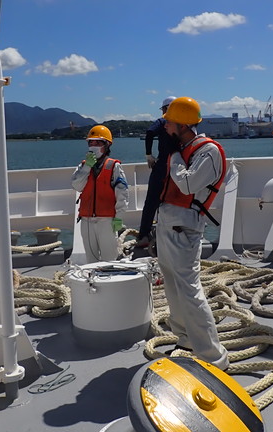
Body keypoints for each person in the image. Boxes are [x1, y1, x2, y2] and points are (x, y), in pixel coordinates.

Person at [155, 96, 229, 370]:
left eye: (169, 122)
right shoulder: (184, 148)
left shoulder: (208, 151)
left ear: (184, 125)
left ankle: (214, 357)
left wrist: (173, 156)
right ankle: (185, 340)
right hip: (168, 224)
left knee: (189, 289)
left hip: (184, 228)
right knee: (173, 286)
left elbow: (188, 185)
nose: (165, 126)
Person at [71, 125, 129, 263]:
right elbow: (77, 186)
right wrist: (87, 167)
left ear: (107, 145)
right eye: (91, 142)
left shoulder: (114, 166)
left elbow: (122, 193)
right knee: (91, 261)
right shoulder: (83, 166)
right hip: (86, 221)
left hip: (106, 221)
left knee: (110, 260)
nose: (94, 146)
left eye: (98, 143)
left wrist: (119, 217)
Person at [136, 96, 177, 248]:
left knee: (152, 201)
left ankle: (144, 235)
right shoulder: (183, 123)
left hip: (162, 166)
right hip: (179, 167)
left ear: (165, 108)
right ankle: (173, 235)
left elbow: (149, 132)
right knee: (175, 201)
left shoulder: (162, 121)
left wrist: (149, 154)